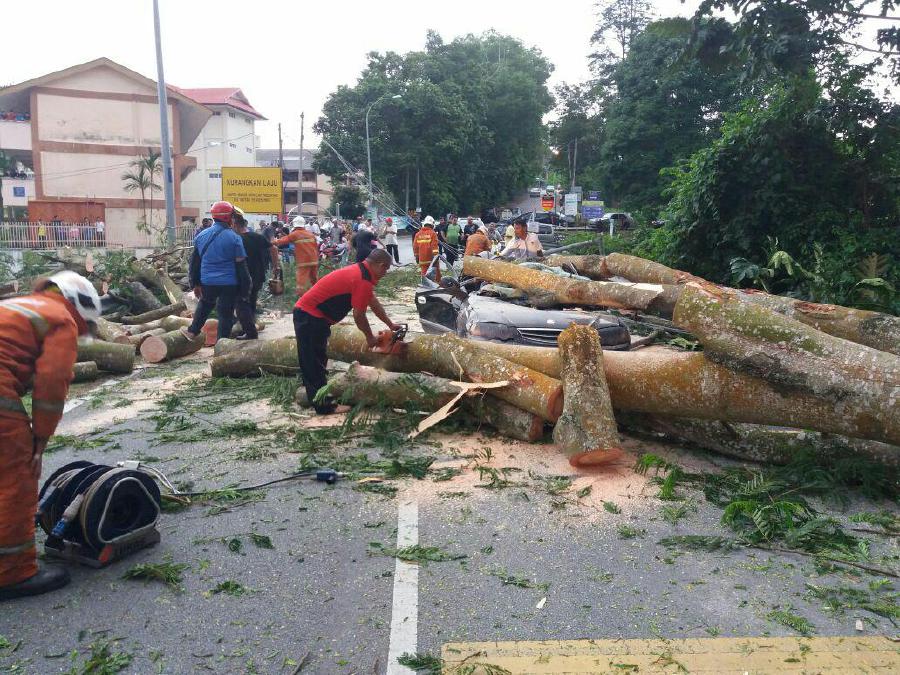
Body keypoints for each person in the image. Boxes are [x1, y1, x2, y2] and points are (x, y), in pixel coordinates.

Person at [0, 271, 100, 601]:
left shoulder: (20, 305)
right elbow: (51, 386)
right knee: (14, 477)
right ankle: (13, 574)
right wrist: (39, 440)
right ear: (78, 305)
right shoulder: (61, 319)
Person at [294, 249, 399, 415]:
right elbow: (359, 315)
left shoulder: (360, 272)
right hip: (310, 316)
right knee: (314, 361)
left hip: (311, 316)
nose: (385, 273)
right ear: (380, 265)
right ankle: (324, 407)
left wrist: (390, 324)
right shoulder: (361, 279)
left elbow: (373, 302)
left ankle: (311, 394)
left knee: (315, 359)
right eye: (386, 269)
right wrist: (370, 338)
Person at [183, 201, 250, 340]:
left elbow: (195, 263)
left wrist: (195, 284)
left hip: (208, 281)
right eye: (232, 216)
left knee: (205, 304)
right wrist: (245, 289)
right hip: (229, 283)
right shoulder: (235, 238)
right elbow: (241, 267)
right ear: (228, 217)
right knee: (225, 314)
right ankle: (221, 343)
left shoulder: (201, 236)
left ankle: (192, 331)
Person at [232, 208, 278, 339]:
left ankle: (249, 331)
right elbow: (273, 248)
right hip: (258, 275)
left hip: (243, 277)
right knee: (251, 302)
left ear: (235, 225)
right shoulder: (257, 237)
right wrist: (276, 267)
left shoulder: (236, 239)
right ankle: (249, 327)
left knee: (242, 304)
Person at [273, 217, 319, 297]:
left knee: (301, 280)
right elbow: (316, 246)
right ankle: (319, 293)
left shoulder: (295, 234)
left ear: (295, 225)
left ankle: (301, 297)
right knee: (314, 279)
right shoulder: (310, 234)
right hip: (313, 260)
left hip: (303, 261)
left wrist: (272, 241)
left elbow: (283, 240)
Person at [413, 216, 441, 281]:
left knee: (424, 274)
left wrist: (417, 257)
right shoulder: (433, 233)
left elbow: (415, 247)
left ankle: (425, 286)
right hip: (432, 260)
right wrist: (436, 258)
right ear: (432, 225)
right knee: (436, 275)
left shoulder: (418, 234)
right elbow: (434, 248)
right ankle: (437, 287)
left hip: (422, 260)